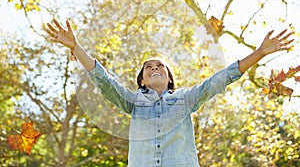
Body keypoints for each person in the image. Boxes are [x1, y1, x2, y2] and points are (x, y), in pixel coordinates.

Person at [46, 18, 294, 167]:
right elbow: (104, 80)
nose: (154, 68)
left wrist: (260, 52)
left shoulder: (186, 99)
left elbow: (222, 78)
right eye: (148, 67)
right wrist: (76, 47)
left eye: (160, 66)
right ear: (142, 80)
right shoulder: (133, 102)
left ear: (169, 77)